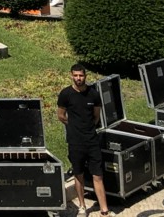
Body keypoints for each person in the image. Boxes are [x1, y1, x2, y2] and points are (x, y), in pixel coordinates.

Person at [57, 62, 111, 217]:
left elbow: (96, 116)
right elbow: (61, 116)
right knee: (78, 174)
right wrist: (74, 126)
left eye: (81, 75)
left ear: (85, 76)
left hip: (92, 140)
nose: (78, 78)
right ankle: (82, 206)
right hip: (75, 142)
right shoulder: (65, 94)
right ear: (71, 76)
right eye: (75, 75)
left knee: (98, 175)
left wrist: (87, 127)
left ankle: (104, 209)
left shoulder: (93, 94)